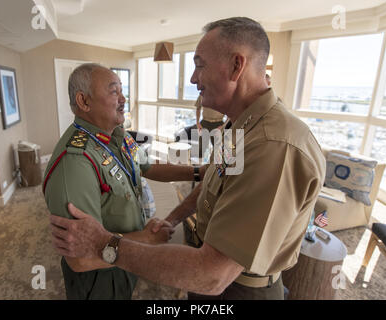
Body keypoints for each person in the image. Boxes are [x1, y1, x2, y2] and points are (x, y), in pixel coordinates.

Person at [49, 17, 326, 300]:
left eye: (199, 65)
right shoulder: (238, 127)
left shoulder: (273, 146)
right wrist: (171, 218)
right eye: (113, 91)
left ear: (236, 66)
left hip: (240, 290)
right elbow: (211, 182)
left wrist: (105, 244)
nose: (193, 78)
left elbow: (213, 275)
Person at [44, 63, 205, 300]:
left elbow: (147, 166)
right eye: (113, 91)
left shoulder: (118, 135)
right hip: (99, 277)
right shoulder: (75, 163)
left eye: (122, 90)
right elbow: (80, 259)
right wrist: (147, 240)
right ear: (84, 101)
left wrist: (198, 172)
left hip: (123, 256)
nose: (124, 98)